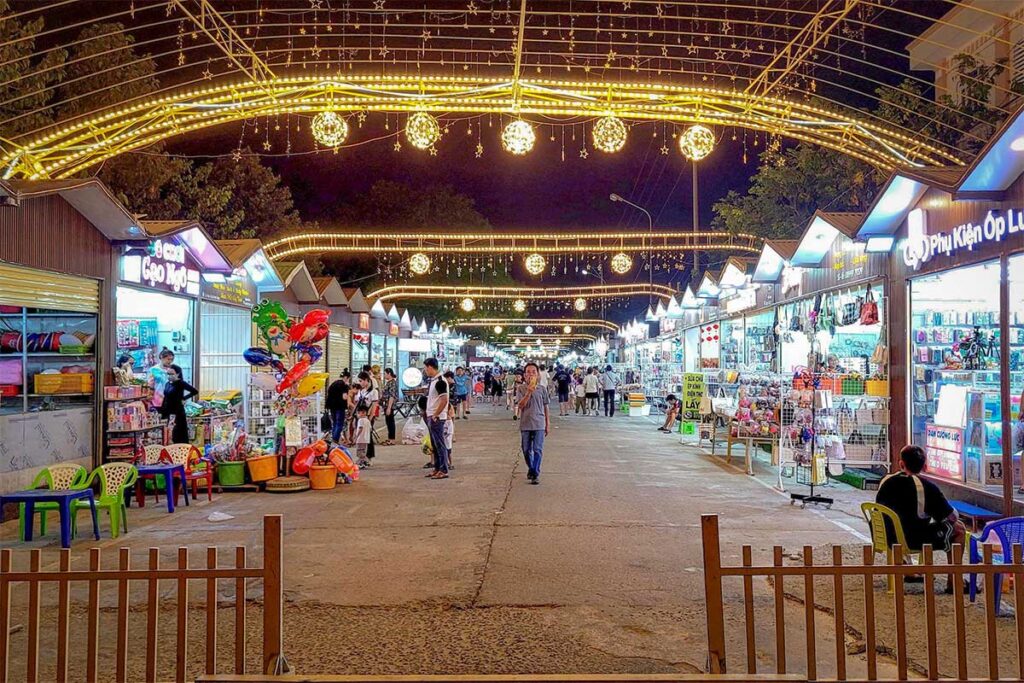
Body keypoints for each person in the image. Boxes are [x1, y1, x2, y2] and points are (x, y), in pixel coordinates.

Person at [875, 444, 967, 592]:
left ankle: (907, 568)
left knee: (901, 526)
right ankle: (955, 581)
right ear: (925, 466)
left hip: (884, 536)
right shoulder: (926, 487)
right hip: (911, 539)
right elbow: (951, 517)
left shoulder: (886, 480)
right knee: (959, 529)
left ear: (901, 464)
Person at [516, 362, 550, 484]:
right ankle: (531, 468)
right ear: (524, 375)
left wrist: (547, 423)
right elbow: (520, 405)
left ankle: (535, 472)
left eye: (533, 372)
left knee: (537, 449)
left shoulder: (542, 389)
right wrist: (529, 392)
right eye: (528, 372)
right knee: (526, 450)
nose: (531, 374)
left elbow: (546, 407)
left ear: (538, 374)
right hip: (525, 423)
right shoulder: (520, 389)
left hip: (539, 423)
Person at [424, 358, 450, 479]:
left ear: (430, 367)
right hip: (432, 416)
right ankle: (437, 468)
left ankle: (443, 469)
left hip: (437, 418)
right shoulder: (434, 381)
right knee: (434, 445)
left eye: (425, 368)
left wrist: (436, 414)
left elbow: (444, 400)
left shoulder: (440, 381)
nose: (425, 371)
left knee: (439, 444)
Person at [160, 363, 197, 444]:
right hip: (167, 411)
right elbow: (165, 397)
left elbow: (194, 391)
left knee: (177, 432)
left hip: (177, 411)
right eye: (168, 374)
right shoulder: (167, 384)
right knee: (168, 432)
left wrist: (184, 398)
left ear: (178, 374)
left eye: (172, 374)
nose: (169, 376)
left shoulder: (181, 383)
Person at [355, 371, 380, 460]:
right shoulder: (361, 391)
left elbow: (374, 405)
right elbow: (357, 403)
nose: (360, 383)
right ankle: (362, 456)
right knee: (361, 436)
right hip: (360, 416)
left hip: (368, 417)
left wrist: (370, 417)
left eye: (361, 381)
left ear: (366, 380)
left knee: (367, 436)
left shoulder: (374, 392)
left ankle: (368, 456)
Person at [325, 370, 350, 443]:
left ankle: (334, 437)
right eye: (348, 379)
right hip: (340, 407)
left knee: (335, 423)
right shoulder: (344, 385)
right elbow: (344, 397)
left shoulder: (333, 384)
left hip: (332, 406)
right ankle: (335, 439)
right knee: (339, 423)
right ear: (346, 377)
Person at [381, 368, 399, 446]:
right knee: (388, 422)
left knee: (390, 422)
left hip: (389, 405)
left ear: (389, 373)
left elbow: (392, 396)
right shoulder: (389, 382)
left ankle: (392, 439)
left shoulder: (392, 383)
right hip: (387, 405)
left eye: (385, 374)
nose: (384, 375)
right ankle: (390, 438)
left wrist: (389, 407)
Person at [353, 403, 372, 469]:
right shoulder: (367, 420)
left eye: (359, 413)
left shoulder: (360, 420)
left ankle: (363, 461)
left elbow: (360, 428)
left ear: (363, 413)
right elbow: (370, 429)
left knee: (360, 451)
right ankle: (364, 462)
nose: (358, 415)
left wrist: (356, 436)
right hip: (366, 439)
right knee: (363, 450)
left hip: (360, 439)